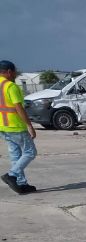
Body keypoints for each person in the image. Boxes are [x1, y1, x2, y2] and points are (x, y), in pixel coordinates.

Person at [0, 60, 37, 194]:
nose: (16, 74)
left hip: (3, 127)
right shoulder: (11, 86)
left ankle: (21, 183)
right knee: (30, 152)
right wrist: (29, 125)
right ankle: (11, 175)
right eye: (15, 71)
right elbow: (19, 108)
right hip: (16, 126)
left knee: (16, 155)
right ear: (9, 72)